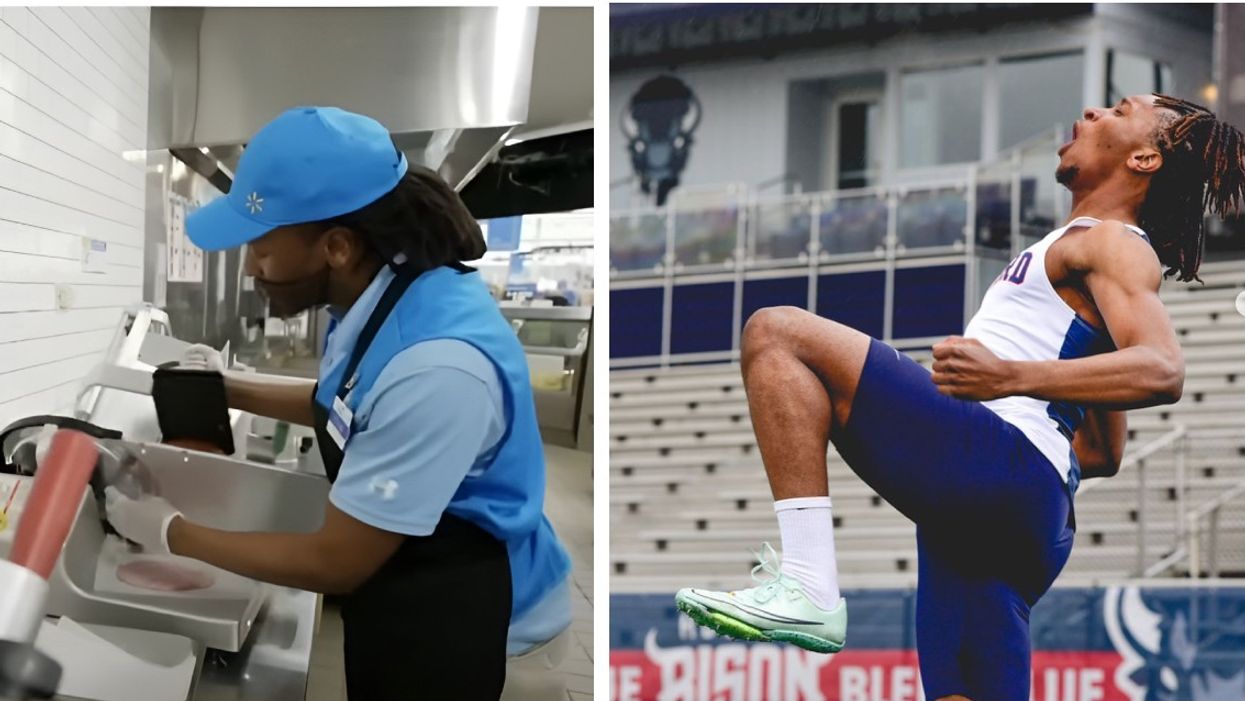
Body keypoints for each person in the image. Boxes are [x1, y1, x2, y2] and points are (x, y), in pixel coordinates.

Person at [675, 94, 1245, 701]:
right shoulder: (1090, 250)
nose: (1090, 113)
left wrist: (1009, 377)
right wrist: (1033, 393)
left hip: (1005, 468)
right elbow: (1101, 452)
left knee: (776, 333)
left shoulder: (1111, 242)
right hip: (1022, 521)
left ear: (1144, 158)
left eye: (1117, 110)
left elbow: (1163, 370)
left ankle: (809, 582)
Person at [103, 106, 572, 700]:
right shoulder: (391, 297)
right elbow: (349, 408)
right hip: (410, 588)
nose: (251, 268)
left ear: (338, 247)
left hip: (483, 627)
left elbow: (335, 562)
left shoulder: (438, 368)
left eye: (263, 249)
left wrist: (167, 530)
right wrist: (227, 387)